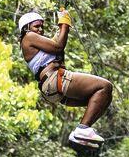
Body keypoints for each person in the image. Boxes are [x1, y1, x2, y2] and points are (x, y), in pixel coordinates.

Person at [16, 10, 113, 148]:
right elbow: (58, 46)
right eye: (36, 26)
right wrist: (65, 24)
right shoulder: (28, 36)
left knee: (102, 99)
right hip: (54, 79)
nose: (40, 30)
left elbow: (57, 44)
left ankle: (80, 134)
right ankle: (82, 129)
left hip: (51, 88)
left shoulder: (36, 43)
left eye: (42, 26)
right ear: (26, 27)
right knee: (105, 86)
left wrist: (63, 25)